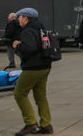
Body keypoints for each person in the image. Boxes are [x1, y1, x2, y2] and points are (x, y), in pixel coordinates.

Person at [12, 8, 54, 136]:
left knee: (19, 93)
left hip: (33, 67)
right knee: (40, 95)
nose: (18, 20)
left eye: (19, 17)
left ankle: (30, 123)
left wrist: (17, 45)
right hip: (45, 65)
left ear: (26, 18)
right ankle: (46, 125)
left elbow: (30, 48)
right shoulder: (41, 28)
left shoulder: (28, 31)